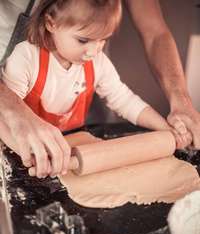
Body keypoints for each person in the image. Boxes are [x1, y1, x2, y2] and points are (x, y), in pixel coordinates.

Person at [0, 0, 197, 178]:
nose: (92, 52)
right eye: (83, 40)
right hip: (23, 151)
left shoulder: (97, 62)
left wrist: (167, 130)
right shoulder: (26, 59)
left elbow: (124, 99)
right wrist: (34, 155)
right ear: (51, 23)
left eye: (103, 39)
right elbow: (7, 120)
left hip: (71, 142)